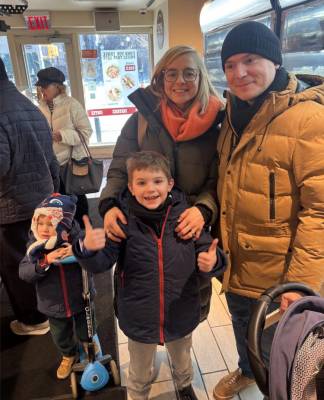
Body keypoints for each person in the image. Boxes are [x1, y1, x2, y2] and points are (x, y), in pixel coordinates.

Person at [212, 21, 324, 400]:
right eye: (230, 64)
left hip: (283, 276)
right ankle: (247, 372)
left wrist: (301, 283)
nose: (239, 72)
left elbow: (320, 212)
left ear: (274, 61)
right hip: (238, 264)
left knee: (285, 357)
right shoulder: (233, 115)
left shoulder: (309, 120)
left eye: (250, 60)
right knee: (244, 327)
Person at [74, 151, 227, 400]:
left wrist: (213, 261)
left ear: (170, 184)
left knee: (182, 357)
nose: (150, 189)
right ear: (131, 188)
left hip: (180, 309)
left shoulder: (186, 217)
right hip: (139, 314)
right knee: (140, 369)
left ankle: (184, 384)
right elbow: (102, 261)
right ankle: (138, 394)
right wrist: (88, 250)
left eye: (157, 181)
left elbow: (207, 250)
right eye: (142, 182)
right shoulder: (122, 221)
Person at [99, 45, 224, 321]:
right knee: (144, 302)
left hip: (189, 232)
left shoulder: (219, 124)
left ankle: (181, 360)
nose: (180, 81)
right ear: (160, 78)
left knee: (186, 308)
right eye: (172, 74)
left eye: (189, 73)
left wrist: (203, 210)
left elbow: (220, 181)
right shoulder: (141, 120)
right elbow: (120, 167)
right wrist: (108, 205)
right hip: (143, 230)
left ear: (201, 78)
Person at [0, 58, 59, 336]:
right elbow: (51, 160)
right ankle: (50, 310)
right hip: (42, 201)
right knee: (39, 258)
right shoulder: (29, 107)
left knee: (16, 266)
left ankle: (34, 320)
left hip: (11, 206)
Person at [19, 193, 96, 380]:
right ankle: (68, 354)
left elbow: (96, 252)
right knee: (60, 333)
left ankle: (88, 344)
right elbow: (24, 272)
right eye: (41, 223)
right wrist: (45, 261)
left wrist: (79, 250)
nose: (45, 229)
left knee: (86, 326)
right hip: (53, 302)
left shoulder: (78, 237)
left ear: (63, 225)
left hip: (81, 296)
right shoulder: (34, 248)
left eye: (51, 224)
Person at [35, 66, 93, 228]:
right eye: (40, 86)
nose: (42, 90)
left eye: (45, 86)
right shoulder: (40, 107)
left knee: (77, 201)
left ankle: (84, 233)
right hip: (50, 165)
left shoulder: (71, 105)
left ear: (57, 86)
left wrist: (62, 135)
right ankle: (64, 235)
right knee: (57, 203)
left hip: (71, 163)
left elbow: (86, 132)